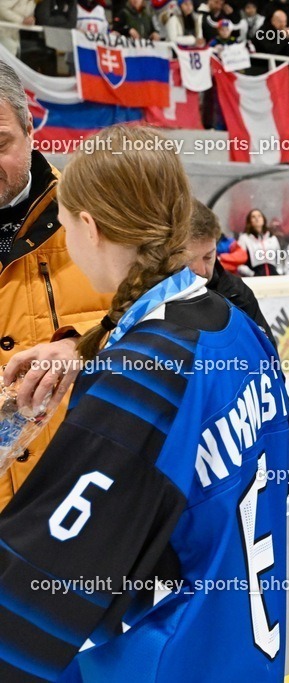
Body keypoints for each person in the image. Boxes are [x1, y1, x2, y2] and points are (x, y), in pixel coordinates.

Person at [0, 124, 289, 681]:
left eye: (64, 225)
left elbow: (48, 571)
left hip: (173, 658)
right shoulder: (236, 327)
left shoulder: (142, 375)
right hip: (243, 649)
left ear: (88, 227)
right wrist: (84, 347)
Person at [0, 60, 110, 512]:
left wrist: (81, 344)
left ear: (30, 131)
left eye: (0, 144)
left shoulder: (102, 217)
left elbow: (174, 321)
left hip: (82, 501)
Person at [187, 199, 275, 344]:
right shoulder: (159, 297)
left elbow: (265, 348)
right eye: (189, 260)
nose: (202, 271)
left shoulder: (237, 292)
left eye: (208, 257)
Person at [236, 208, 281, 276]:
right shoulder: (244, 238)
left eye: (259, 216)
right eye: (253, 217)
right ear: (249, 221)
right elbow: (239, 262)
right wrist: (252, 274)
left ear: (263, 219)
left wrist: (279, 272)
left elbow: (279, 258)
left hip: (273, 275)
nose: (257, 218)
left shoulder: (272, 238)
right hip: (255, 277)